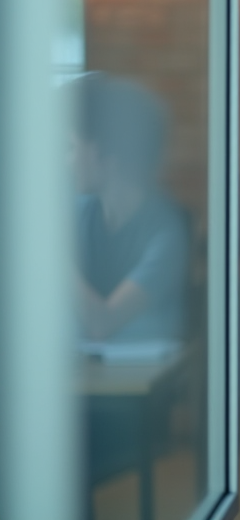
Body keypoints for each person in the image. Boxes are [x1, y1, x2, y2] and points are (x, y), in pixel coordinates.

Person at [71, 72, 188, 345]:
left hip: (144, 384)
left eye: (70, 148)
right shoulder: (80, 214)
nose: (67, 162)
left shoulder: (167, 233)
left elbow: (103, 323)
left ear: (105, 155)